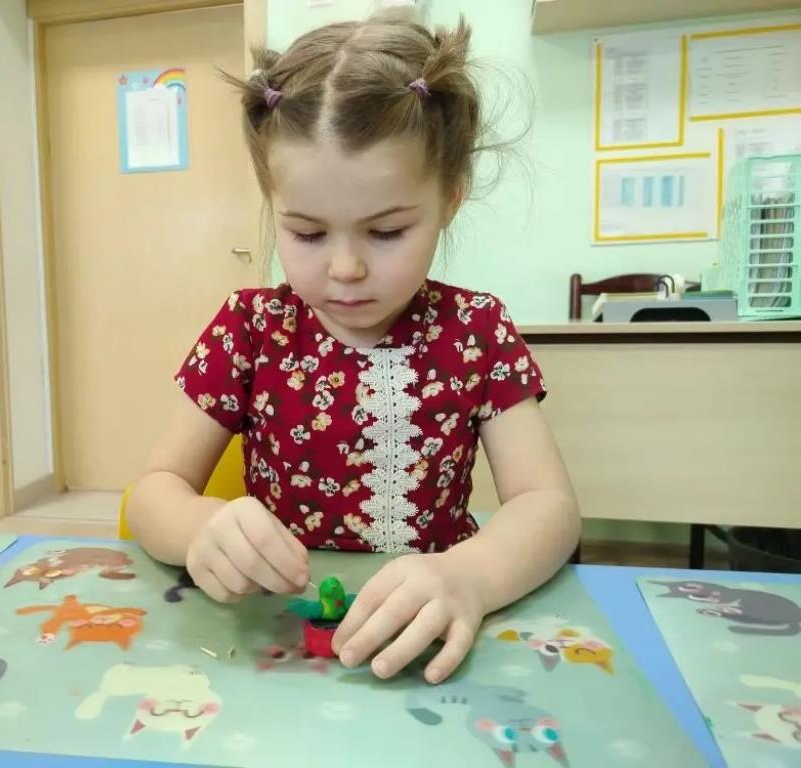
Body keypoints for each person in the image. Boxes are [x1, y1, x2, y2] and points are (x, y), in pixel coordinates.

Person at [127, 13, 580, 685]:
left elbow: (548, 506)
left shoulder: (477, 330)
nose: (345, 268)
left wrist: (471, 577)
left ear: (449, 200)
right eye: (307, 234)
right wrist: (199, 529)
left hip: (430, 636)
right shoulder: (250, 328)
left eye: (387, 231)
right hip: (277, 644)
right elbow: (152, 493)